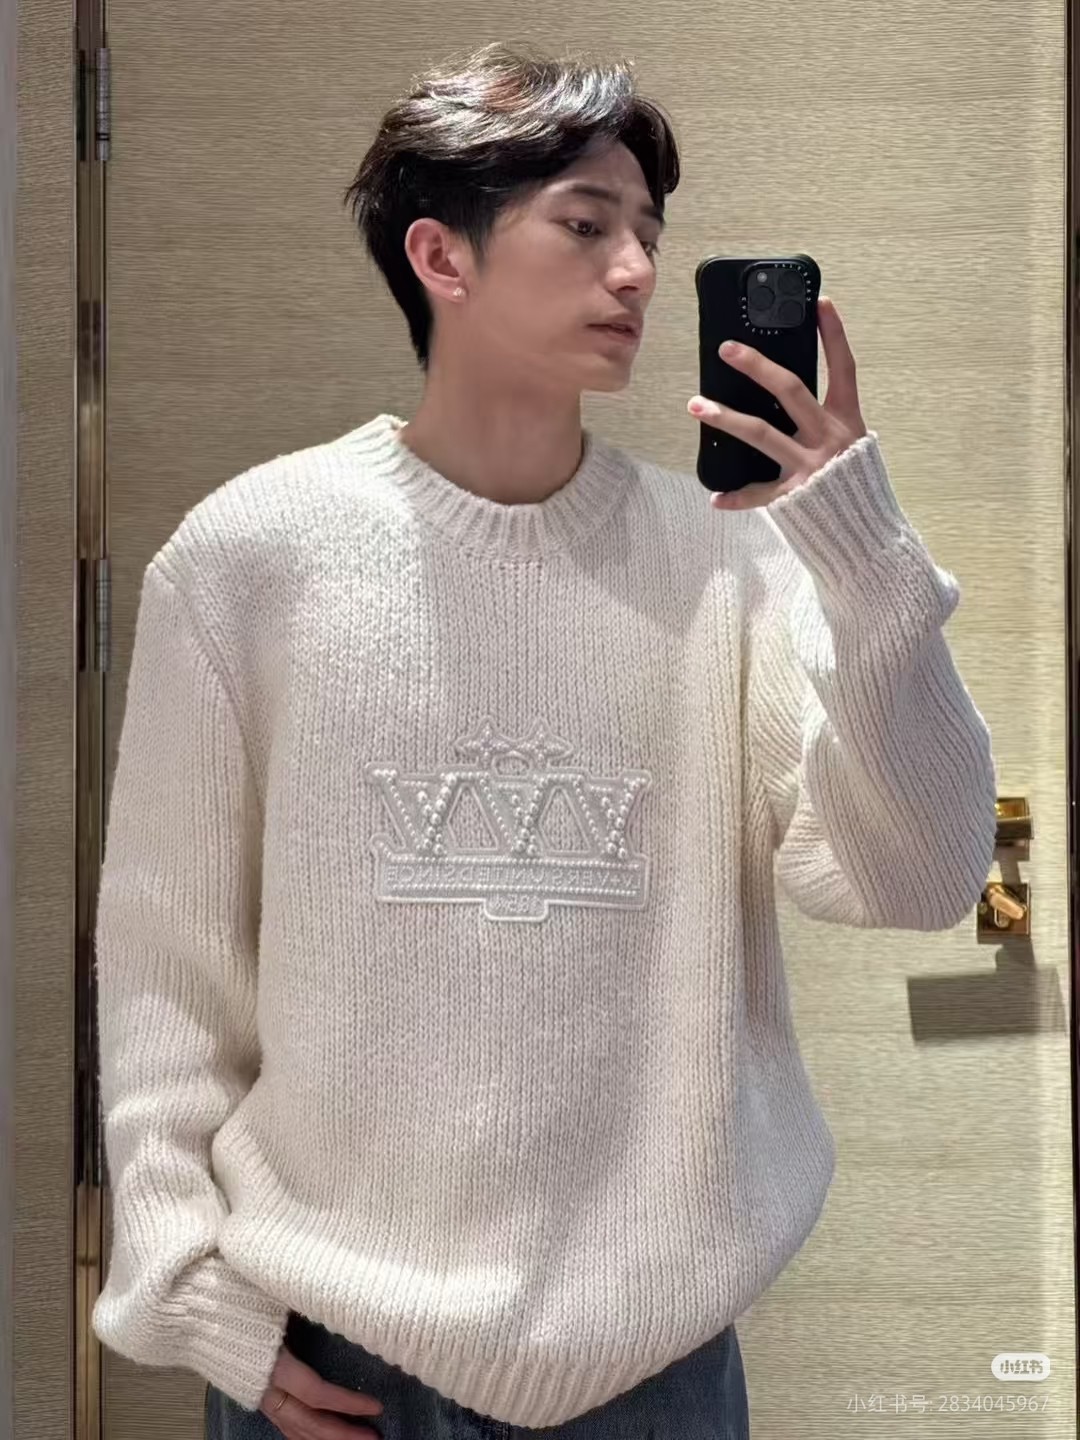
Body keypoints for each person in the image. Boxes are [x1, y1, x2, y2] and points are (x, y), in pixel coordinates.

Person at [91, 40, 998, 1440]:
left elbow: (918, 875)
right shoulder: (248, 560)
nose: (635, 270)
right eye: (585, 225)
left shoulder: (729, 565)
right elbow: (167, 971)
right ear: (439, 257)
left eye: (649, 233)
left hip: (658, 1369)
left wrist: (863, 556)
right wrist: (195, 1297)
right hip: (329, 1359)